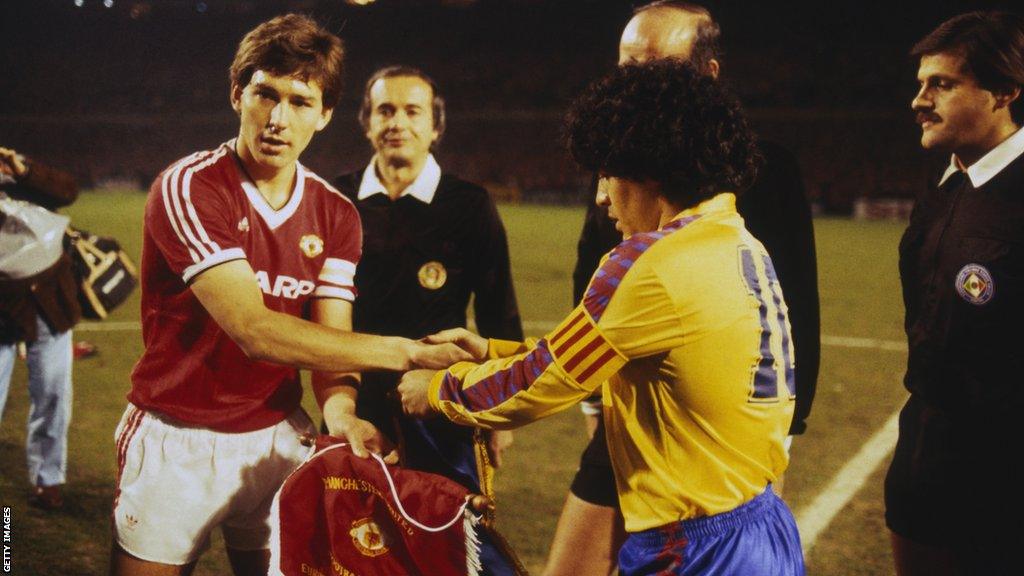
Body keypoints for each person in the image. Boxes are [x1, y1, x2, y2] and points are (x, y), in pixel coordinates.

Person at [398, 60, 804, 576]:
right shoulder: (739, 241)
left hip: (696, 547)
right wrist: (491, 351)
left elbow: (542, 383)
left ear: (648, 166)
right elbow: (599, 351)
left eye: (607, 173)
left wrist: (436, 390)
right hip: (763, 526)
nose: (600, 195)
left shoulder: (651, 263)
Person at [110, 15, 468, 576]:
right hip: (178, 437)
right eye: (264, 95)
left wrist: (343, 412)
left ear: (324, 115)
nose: (278, 119)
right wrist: (409, 352)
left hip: (276, 435)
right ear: (237, 95)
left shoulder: (336, 213)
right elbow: (254, 331)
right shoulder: (190, 186)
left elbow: (331, 345)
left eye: (300, 102)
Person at [559, 2, 820, 573]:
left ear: (707, 74)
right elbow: (590, 270)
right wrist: (588, 400)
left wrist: (784, 438)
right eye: (626, 65)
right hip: (626, 403)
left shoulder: (765, 168)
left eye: (654, 64)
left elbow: (796, 304)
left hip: (719, 445)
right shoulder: (618, 158)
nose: (636, 80)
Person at [332, 65, 523, 576]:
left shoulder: (468, 204)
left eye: (412, 111)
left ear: (435, 126)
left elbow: (498, 309)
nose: (397, 122)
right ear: (366, 122)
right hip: (357, 401)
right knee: (366, 544)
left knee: (449, 541)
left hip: (443, 407)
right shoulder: (337, 200)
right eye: (385, 110)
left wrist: (499, 415)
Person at [885, 11, 1024, 576]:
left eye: (941, 84)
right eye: (921, 84)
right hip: (926, 447)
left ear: (1004, 91)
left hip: (1005, 470)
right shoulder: (944, 186)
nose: (920, 99)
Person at [0, 146, 80, 511]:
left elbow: (68, 191)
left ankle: (47, 478)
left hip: (48, 298)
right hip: (3, 305)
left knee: (52, 391)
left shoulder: (19, 179)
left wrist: (24, 168)